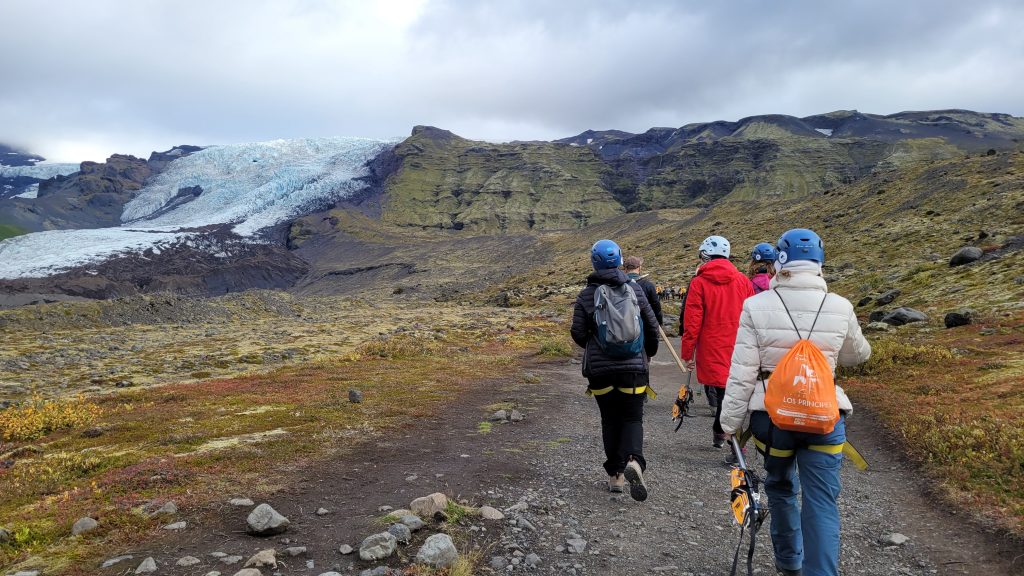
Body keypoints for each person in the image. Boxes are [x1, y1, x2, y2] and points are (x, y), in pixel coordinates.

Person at [720, 229, 871, 576]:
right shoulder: (840, 306)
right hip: (824, 417)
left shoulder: (755, 306)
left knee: (781, 487)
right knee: (821, 502)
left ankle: (789, 562)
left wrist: (729, 424)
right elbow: (856, 356)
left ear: (779, 261)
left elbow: (742, 373)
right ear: (819, 263)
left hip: (772, 421)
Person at [571, 239, 660, 502]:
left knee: (610, 420)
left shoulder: (587, 294)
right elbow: (652, 326)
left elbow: (577, 332)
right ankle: (634, 460)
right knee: (632, 417)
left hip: (600, 372)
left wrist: (596, 342)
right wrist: (647, 353)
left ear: (593, 262)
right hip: (634, 369)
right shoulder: (635, 289)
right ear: (620, 260)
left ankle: (616, 475)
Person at [678, 235, 753, 449]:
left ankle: (723, 434)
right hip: (740, 345)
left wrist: (687, 354)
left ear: (704, 256)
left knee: (722, 393)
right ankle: (728, 438)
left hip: (711, 347)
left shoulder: (698, 283)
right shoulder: (743, 281)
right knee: (733, 392)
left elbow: (692, 322)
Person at [623, 255, 664, 326]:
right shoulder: (648, 285)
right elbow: (656, 307)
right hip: (645, 325)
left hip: (623, 326)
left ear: (625, 269)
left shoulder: (618, 284)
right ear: (639, 268)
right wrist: (659, 322)